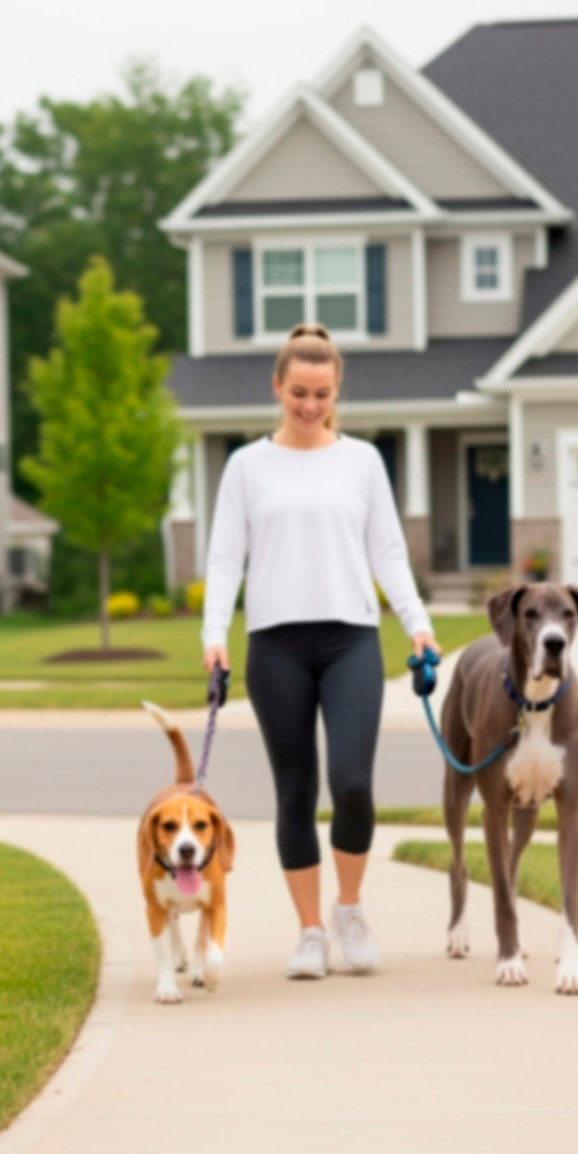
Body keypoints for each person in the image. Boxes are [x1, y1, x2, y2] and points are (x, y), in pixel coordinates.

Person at [201, 323, 442, 979]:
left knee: (354, 785)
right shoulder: (248, 467)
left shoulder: (361, 462)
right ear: (277, 386)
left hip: (351, 640)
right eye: (298, 392)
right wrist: (213, 636)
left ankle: (350, 908)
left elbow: (387, 552)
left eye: (323, 394)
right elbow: (225, 559)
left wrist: (417, 623)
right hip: (274, 644)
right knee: (295, 793)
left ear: (338, 392)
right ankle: (310, 932)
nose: (310, 405)